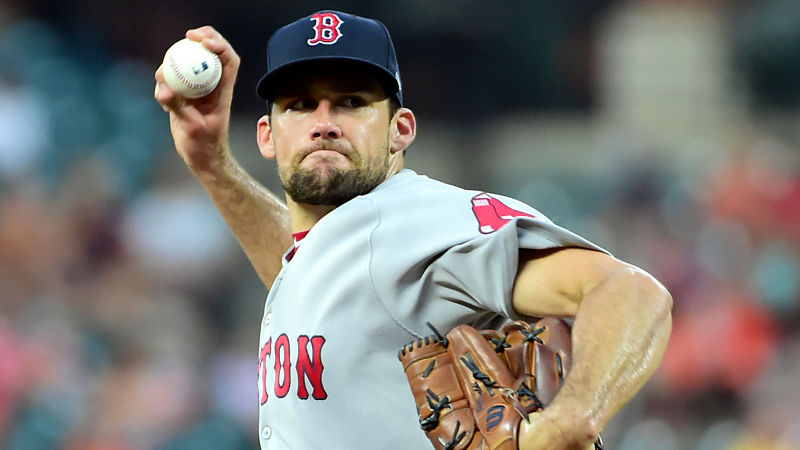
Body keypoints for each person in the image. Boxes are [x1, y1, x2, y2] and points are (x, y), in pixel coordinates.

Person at [154, 10, 672, 450]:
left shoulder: (429, 221)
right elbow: (319, 282)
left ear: (401, 129)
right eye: (299, 105)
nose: (324, 121)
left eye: (352, 102)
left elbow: (632, 292)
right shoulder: (342, 246)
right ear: (267, 136)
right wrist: (213, 164)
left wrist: (573, 418)